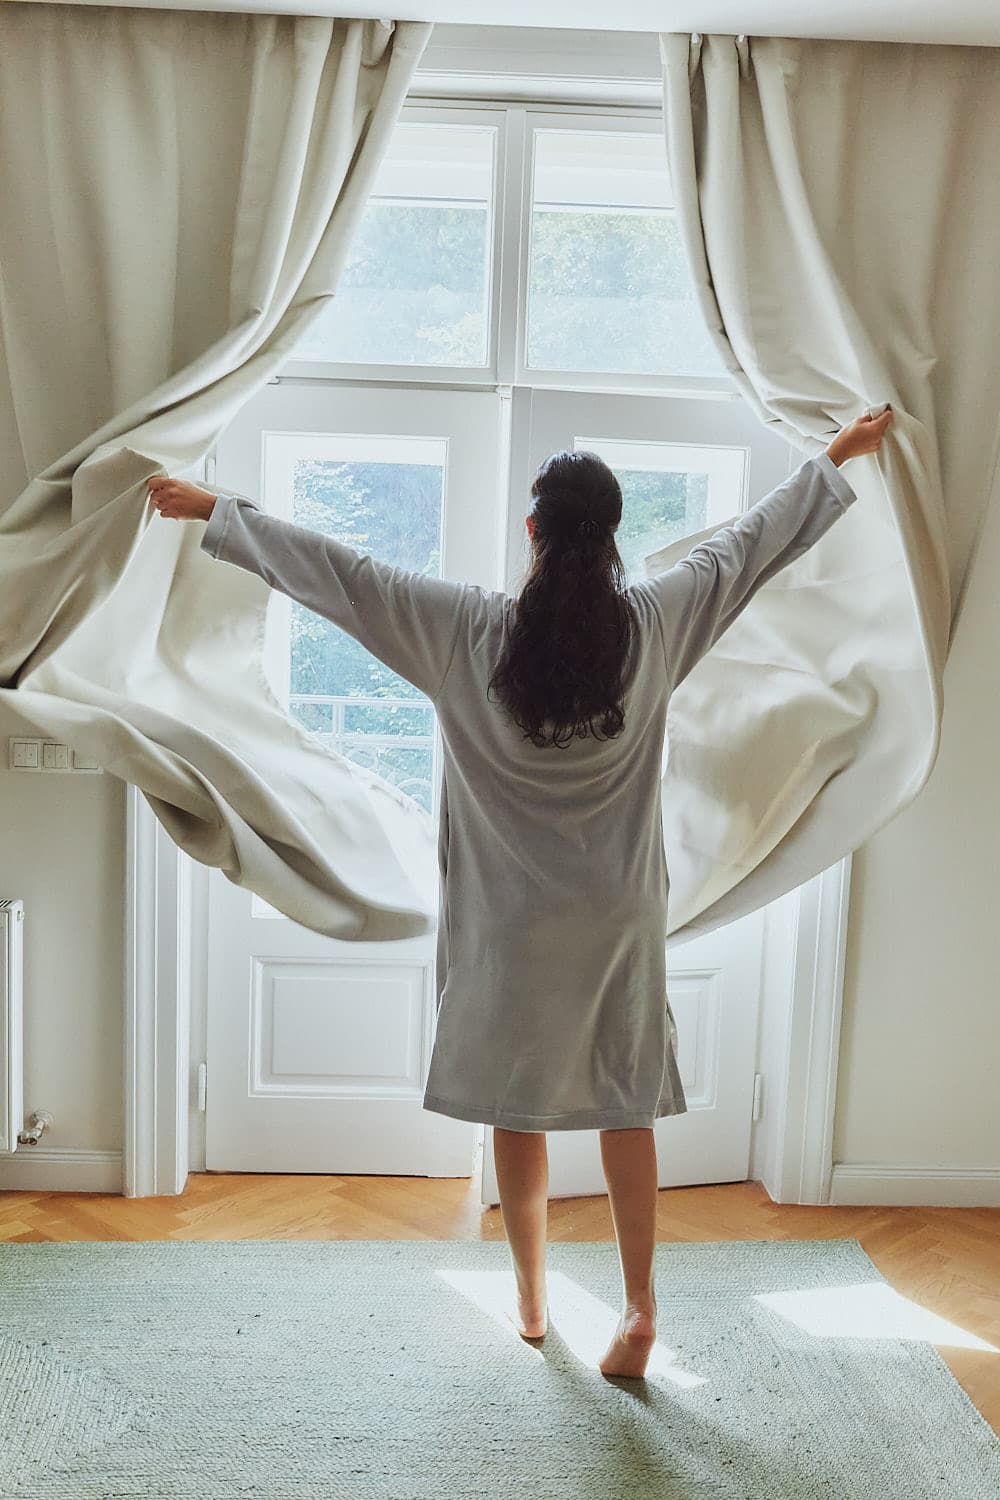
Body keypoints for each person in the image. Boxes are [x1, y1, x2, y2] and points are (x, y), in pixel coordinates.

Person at [149, 404, 893, 1380]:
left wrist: (216, 509)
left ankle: (534, 1304)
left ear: (533, 533)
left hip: (507, 927)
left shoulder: (462, 629)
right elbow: (753, 546)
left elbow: (341, 575)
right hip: (616, 920)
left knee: (519, 1106)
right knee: (624, 1105)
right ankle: (636, 1311)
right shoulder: (656, 624)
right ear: (611, 534)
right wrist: (832, 455)